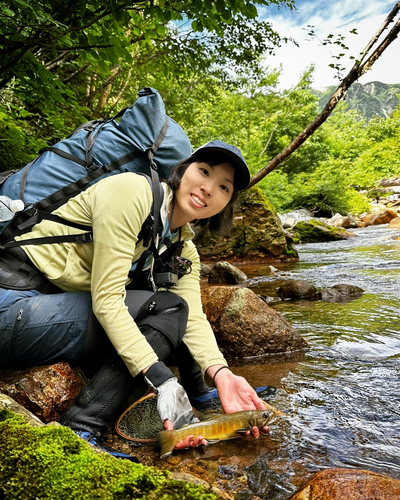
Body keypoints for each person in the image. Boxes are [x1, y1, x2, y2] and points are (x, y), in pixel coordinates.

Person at [0, 140, 268, 455]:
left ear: (226, 203)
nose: (209, 188)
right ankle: (81, 429)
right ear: (181, 171)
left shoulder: (182, 249)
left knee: (174, 311)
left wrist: (222, 374)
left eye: (223, 187)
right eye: (204, 171)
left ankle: (199, 398)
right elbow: (108, 301)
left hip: (49, 314)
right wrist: (163, 380)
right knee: (166, 308)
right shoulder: (131, 193)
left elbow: (192, 318)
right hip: (12, 307)